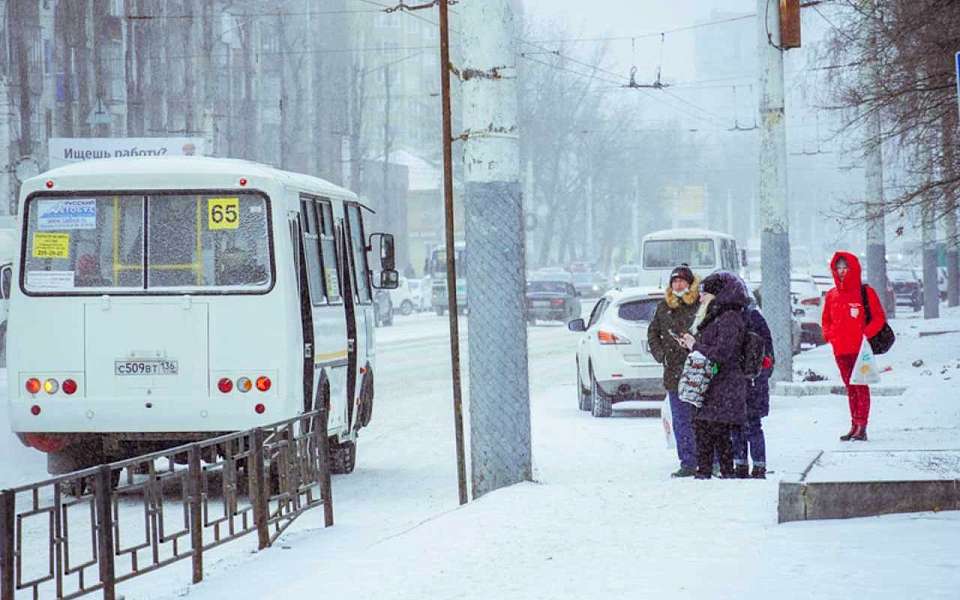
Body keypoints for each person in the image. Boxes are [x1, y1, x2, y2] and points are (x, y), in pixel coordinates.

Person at [679, 271, 749, 479]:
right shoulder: (717, 316)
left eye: (705, 294)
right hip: (714, 384)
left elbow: (723, 353)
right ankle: (707, 470)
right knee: (705, 427)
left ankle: (717, 471)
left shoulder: (729, 318)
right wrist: (691, 346)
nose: (700, 298)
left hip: (724, 384)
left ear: (717, 295)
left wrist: (696, 346)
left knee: (715, 430)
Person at [821, 252, 886, 441]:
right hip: (840, 349)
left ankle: (862, 425)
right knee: (850, 387)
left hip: (860, 350)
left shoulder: (865, 292)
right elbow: (826, 319)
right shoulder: (832, 295)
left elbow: (879, 318)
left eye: (845, 268)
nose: (842, 272)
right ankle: (853, 423)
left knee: (861, 386)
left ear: (853, 268)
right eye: (838, 268)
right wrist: (830, 335)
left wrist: (865, 334)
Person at [648, 264, 701, 478]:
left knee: (701, 418)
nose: (678, 284)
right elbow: (653, 334)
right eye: (675, 281)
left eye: (682, 281)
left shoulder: (699, 306)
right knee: (680, 420)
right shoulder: (663, 307)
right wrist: (662, 355)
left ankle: (707, 460)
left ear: (690, 284)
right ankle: (687, 462)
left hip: (697, 371)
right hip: (673, 373)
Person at [732, 302, 774, 479]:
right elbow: (769, 353)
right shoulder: (753, 316)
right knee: (748, 425)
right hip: (753, 380)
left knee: (746, 425)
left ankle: (748, 464)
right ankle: (753, 465)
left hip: (748, 380)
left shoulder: (743, 317)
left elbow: (768, 354)